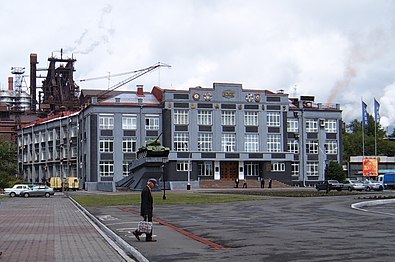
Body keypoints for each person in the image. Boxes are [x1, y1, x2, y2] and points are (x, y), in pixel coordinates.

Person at [133, 178, 157, 242]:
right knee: (149, 224)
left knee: (147, 224)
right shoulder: (146, 190)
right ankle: (148, 237)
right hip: (147, 210)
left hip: (148, 210)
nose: (154, 186)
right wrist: (145, 212)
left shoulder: (148, 190)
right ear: (150, 183)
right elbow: (144, 202)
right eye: (154, 184)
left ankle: (137, 232)